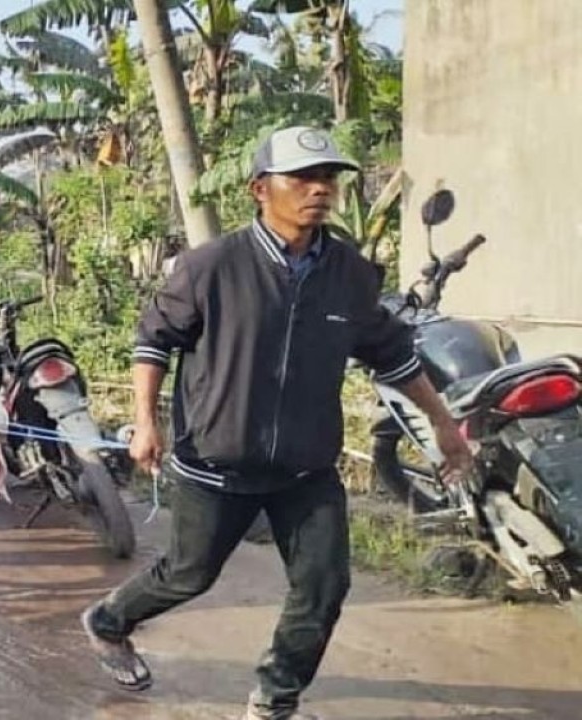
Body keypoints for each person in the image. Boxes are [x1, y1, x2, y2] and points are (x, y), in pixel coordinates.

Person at [79, 126, 475, 720]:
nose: (319, 190)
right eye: (303, 178)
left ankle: (275, 696)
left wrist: (443, 423)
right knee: (188, 576)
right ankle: (108, 620)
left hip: (307, 467)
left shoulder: (350, 273)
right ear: (259, 189)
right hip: (217, 460)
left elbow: (392, 354)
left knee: (323, 587)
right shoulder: (209, 267)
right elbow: (153, 342)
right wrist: (144, 421)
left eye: (328, 179)